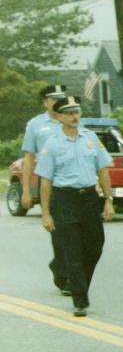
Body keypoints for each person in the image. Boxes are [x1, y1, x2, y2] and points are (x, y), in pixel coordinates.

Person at [35, 96, 115, 317]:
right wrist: (46, 213)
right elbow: (45, 180)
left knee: (95, 246)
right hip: (64, 199)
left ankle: (76, 283)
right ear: (59, 117)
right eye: (69, 113)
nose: (74, 116)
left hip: (89, 197)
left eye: (77, 112)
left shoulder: (90, 139)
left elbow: (103, 170)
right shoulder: (52, 143)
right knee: (73, 249)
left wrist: (108, 200)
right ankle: (79, 299)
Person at [21, 84, 70, 294]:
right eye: (53, 98)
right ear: (45, 102)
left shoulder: (72, 119)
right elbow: (29, 159)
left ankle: (60, 266)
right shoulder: (36, 125)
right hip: (49, 181)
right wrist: (25, 190)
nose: (58, 101)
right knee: (59, 230)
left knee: (80, 232)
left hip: (74, 180)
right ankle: (66, 275)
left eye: (62, 97)